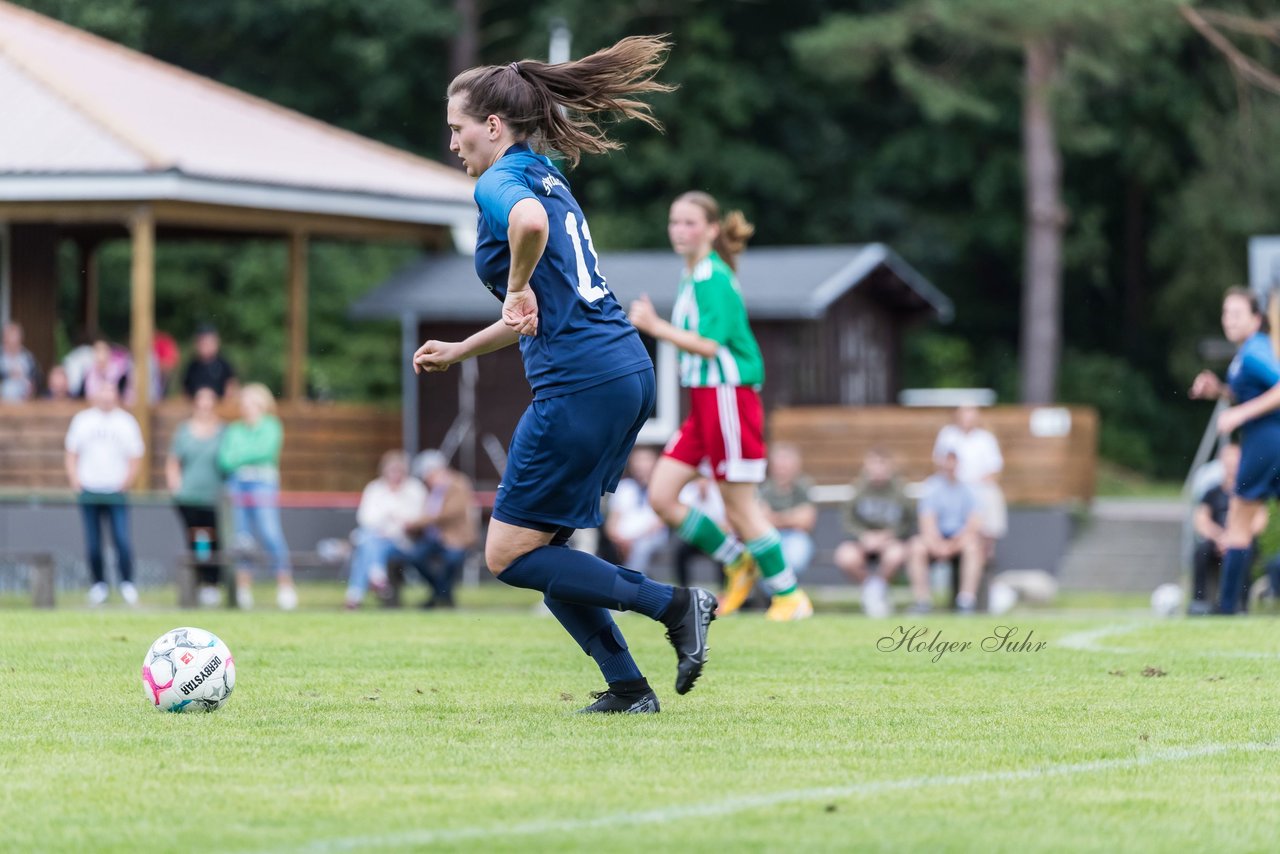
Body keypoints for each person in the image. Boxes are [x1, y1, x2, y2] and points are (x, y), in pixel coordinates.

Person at [411, 36, 715, 715]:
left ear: (492, 126)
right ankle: (630, 689)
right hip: (622, 370)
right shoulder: (545, 170)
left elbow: (527, 226)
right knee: (546, 550)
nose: (453, 144)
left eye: (458, 130)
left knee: (508, 556)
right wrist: (463, 349)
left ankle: (674, 605)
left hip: (581, 383)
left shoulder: (502, 184)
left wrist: (514, 283)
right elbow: (537, 307)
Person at [629, 192, 813, 621]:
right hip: (704, 403)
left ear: (711, 230)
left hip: (729, 398)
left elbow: (710, 346)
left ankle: (790, 595)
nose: (679, 230)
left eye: (690, 223)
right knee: (661, 495)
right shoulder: (692, 274)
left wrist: (656, 327)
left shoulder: (713, 275)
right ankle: (736, 560)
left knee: (739, 506)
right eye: (674, 222)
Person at [1190, 287, 1280, 614]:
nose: (1229, 319)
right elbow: (1249, 394)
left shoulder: (1255, 351)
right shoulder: (1245, 354)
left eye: (1236, 313)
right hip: (1268, 441)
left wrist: (1240, 414)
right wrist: (1219, 391)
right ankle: (1232, 606)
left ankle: (1228, 608)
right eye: (1226, 313)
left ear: (1257, 319)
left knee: (1239, 524)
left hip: (1265, 443)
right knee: (1241, 522)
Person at [64, 381, 144, 606]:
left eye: (111, 393)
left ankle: (127, 583)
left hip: (116, 490)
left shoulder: (126, 422)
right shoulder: (83, 420)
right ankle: (98, 584)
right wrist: (75, 479)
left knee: (121, 538)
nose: (107, 398)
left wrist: (126, 482)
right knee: (92, 541)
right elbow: (71, 452)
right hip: (89, 489)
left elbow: (135, 455)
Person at [219, 382, 297, 610]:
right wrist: (246, 457)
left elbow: (265, 451)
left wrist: (241, 456)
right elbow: (225, 460)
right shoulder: (234, 430)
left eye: (252, 404)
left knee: (270, 532)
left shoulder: (272, 426)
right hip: (237, 484)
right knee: (241, 538)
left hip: (263, 483)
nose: (248, 408)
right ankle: (243, 591)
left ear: (263, 405)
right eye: (244, 404)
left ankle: (285, 586)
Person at [834, 448, 927, 617]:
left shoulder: (899, 491)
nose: (878, 469)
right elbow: (848, 521)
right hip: (863, 543)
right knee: (844, 556)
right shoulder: (858, 490)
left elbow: (909, 522)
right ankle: (874, 589)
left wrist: (890, 535)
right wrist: (863, 536)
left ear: (889, 467)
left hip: (889, 542)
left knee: (896, 554)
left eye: (881, 464)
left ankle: (875, 591)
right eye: (874, 464)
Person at [165, 387, 226, 607]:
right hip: (188, 497)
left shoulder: (223, 431)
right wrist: (175, 485)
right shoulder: (184, 431)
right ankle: (194, 583)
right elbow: (174, 461)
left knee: (212, 540)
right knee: (193, 539)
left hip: (213, 497)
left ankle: (212, 584)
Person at [346, 450, 428, 609]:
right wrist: (387, 522)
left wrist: (391, 527)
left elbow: (417, 519)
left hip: (404, 543)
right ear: (384, 470)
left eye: (399, 470)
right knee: (371, 543)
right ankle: (376, 579)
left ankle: (357, 594)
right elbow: (364, 518)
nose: (395, 474)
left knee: (367, 545)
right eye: (392, 470)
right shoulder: (375, 488)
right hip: (375, 536)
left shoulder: (415, 489)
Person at [1190, 443, 1264, 615]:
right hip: (1217, 541)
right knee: (1201, 551)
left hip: (1242, 540)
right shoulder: (1212, 492)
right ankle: (1199, 602)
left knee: (1244, 551)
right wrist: (1220, 537)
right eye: (1228, 462)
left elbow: (1259, 520)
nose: (1231, 467)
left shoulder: (1251, 491)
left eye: (1235, 462)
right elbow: (1201, 520)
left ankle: (1241, 605)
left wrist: (1236, 538)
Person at [906, 450, 984, 613]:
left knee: (973, 547)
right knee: (916, 547)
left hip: (959, 540)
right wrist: (938, 544)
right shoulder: (931, 487)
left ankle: (966, 601)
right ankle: (922, 601)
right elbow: (927, 521)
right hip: (935, 540)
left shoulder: (968, 490)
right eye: (947, 461)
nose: (950, 466)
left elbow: (973, 524)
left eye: (953, 461)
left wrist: (954, 545)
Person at [404, 449, 479, 609]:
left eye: (427, 475)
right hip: (435, 538)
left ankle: (439, 597)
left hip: (457, 538)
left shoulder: (459, 483)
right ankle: (441, 594)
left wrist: (416, 523)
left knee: (451, 560)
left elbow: (449, 512)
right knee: (415, 557)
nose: (426, 480)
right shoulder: (430, 490)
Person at [933, 405, 1006, 560]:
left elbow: (994, 470)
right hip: (953, 488)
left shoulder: (985, 438)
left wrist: (973, 489)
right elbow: (939, 463)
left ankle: (987, 555)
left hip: (978, 489)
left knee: (991, 496)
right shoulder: (947, 434)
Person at [604, 447, 669, 575]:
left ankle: (632, 580)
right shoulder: (624, 487)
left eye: (645, 460)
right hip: (623, 538)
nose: (641, 465)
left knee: (641, 547)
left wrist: (632, 539)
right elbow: (613, 519)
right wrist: (617, 538)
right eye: (637, 460)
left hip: (648, 536)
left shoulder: (662, 487)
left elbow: (660, 523)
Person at [759, 442, 818, 577]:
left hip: (796, 537)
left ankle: (783, 593)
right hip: (769, 537)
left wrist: (775, 518)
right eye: (780, 462)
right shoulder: (764, 488)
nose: (783, 467)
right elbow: (760, 520)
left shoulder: (803, 487)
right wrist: (792, 517)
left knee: (794, 558)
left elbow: (807, 521)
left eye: (786, 461)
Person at [183, 324, 238, 399]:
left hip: (220, 406)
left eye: (209, 343)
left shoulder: (223, 364)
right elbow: (185, 391)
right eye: (202, 343)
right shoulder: (192, 366)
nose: (205, 346)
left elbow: (231, 387)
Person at [1, 321, 40, 402]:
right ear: (5, 339)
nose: (13, 341)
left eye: (15, 337)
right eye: (10, 337)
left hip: (24, 402)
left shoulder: (28, 358)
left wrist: (32, 388)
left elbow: (37, 379)